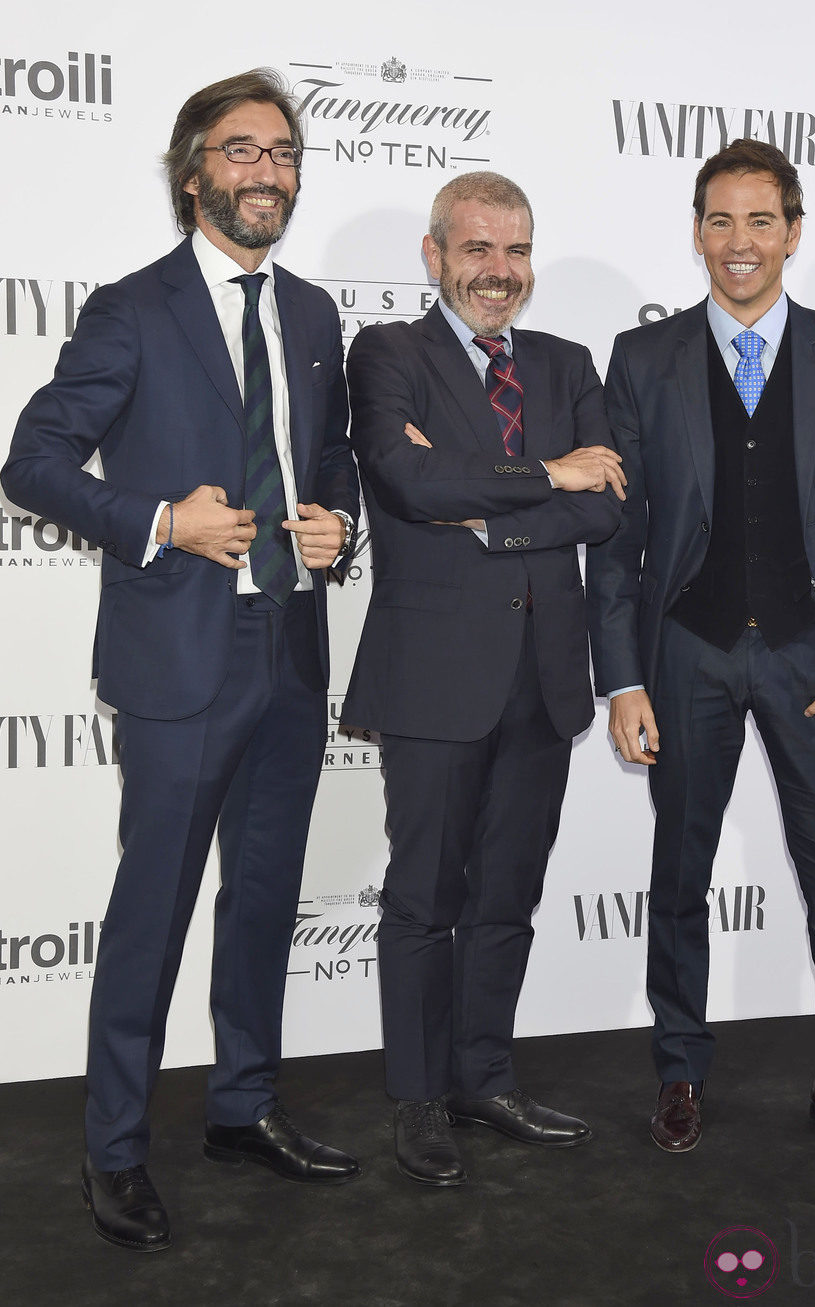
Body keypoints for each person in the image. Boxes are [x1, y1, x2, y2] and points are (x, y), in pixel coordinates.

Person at [1, 69, 362, 1252]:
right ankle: (113, 1150)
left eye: (284, 152)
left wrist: (334, 521)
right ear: (193, 170)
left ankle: (242, 1107)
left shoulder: (312, 315)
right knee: (152, 908)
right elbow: (35, 461)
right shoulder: (132, 308)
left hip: (289, 648)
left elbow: (335, 457)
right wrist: (164, 520)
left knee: (262, 900)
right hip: (178, 659)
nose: (268, 170)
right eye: (243, 150)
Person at [586, 139, 815, 1161]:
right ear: (694, 231)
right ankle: (678, 1073)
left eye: (757, 221)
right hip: (685, 653)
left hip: (812, 660)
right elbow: (617, 536)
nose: (736, 243)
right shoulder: (641, 360)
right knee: (680, 875)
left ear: (791, 230)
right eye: (717, 220)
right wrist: (622, 675)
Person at [343, 171, 625, 1185]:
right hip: (431, 675)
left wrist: (491, 511)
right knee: (424, 895)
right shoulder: (386, 352)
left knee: (507, 893)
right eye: (475, 249)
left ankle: (484, 1076)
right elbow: (407, 482)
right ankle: (419, 1099)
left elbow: (606, 510)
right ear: (434, 255)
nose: (496, 272)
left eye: (513, 252)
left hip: (544, 672)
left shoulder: (565, 361)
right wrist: (550, 471)